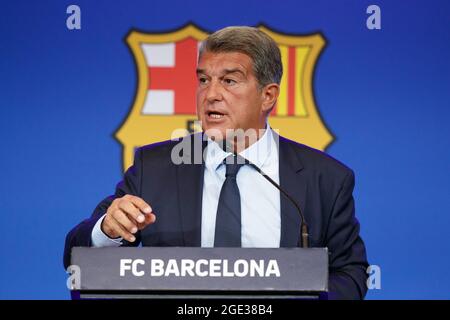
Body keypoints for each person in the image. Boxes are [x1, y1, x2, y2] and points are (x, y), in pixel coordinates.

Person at [64, 26, 369, 299]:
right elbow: (77, 257)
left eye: (230, 81)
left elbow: (351, 274)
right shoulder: (155, 167)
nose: (210, 95)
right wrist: (108, 230)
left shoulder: (325, 178)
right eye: (203, 80)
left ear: (268, 96)